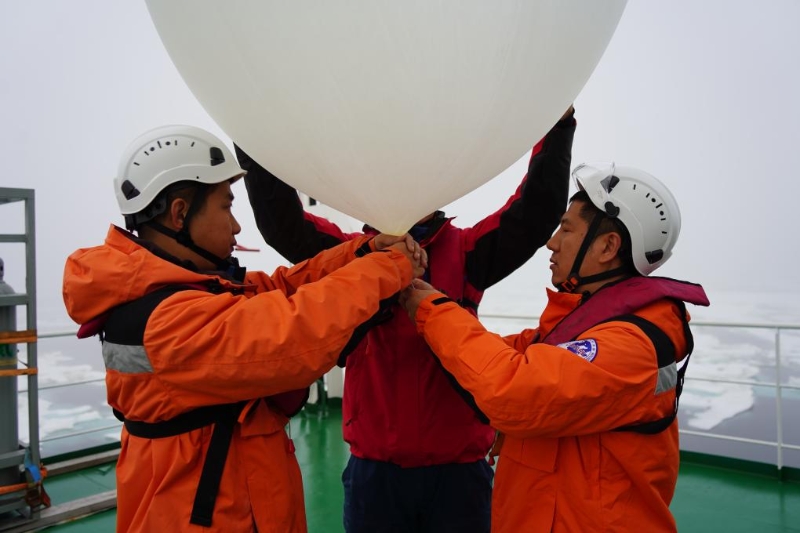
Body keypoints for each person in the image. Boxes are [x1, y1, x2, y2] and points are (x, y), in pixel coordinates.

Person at [62, 124, 426, 533]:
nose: (236, 228)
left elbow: (282, 288)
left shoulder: (181, 292)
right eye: (225, 207)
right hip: (202, 515)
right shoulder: (166, 320)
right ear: (181, 213)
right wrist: (389, 267)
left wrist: (361, 252)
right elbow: (291, 333)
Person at [235, 107, 576, 532]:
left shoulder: (466, 252)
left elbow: (535, 212)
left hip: (459, 475)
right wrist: (251, 138)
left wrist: (556, 126)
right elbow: (282, 224)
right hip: (376, 474)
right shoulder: (353, 255)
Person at [401, 163, 710, 533]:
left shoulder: (632, 346)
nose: (551, 242)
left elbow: (514, 389)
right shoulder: (581, 330)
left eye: (566, 229)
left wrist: (433, 312)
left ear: (608, 246)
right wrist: (432, 302)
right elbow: (500, 354)